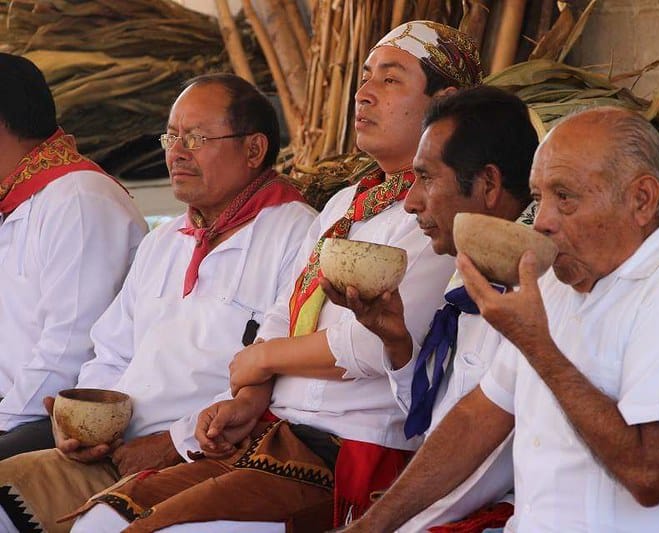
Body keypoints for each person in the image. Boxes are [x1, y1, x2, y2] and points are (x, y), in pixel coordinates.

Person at [69, 20, 483, 533]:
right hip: (273, 435)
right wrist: (248, 397)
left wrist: (260, 360)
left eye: (391, 79)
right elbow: (281, 313)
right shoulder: (345, 203)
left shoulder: (444, 214)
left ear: (446, 103)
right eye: (366, 76)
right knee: (103, 518)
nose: (366, 93)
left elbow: (379, 344)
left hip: (347, 450)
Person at [343, 106, 659, 532]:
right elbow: (477, 418)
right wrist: (372, 525)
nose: (542, 221)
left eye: (564, 197)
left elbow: (650, 474)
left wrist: (538, 347)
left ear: (642, 199)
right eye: (537, 197)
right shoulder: (555, 284)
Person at [0, 73, 317, 533]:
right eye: (172, 136)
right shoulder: (166, 239)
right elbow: (111, 351)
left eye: (197, 137)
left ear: (254, 150)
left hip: (207, 459)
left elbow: (278, 381)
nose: (176, 151)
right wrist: (85, 422)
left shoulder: (297, 234)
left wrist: (173, 441)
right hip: (112, 453)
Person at [323, 85, 537, 531]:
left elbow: (477, 461)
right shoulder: (467, 281)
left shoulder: (532, 298)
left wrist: (378, 525)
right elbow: (434, 426)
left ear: (489, 185)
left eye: (427, 178)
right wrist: (398, 344)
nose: (410, 201)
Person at [0, 53, 148, 459]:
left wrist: (3, 421)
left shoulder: (79, 200)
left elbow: (71, 350)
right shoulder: (19, 199)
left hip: (61, 420)